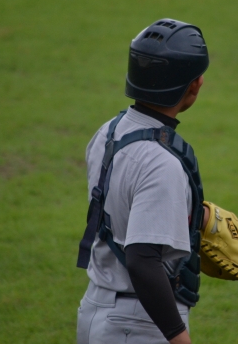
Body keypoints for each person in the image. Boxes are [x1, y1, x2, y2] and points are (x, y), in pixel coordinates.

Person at [75, 18, 210, 344]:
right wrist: (179, 338)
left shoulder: (109, 131)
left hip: (96, 308)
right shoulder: (162, 163)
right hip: (138, 323)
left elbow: (126, 200)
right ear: (194, 85)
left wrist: (198, 217)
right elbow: (142, 260)